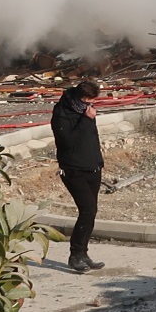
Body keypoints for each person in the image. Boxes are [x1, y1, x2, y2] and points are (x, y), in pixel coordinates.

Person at [50, 81, 106, 273]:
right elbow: (68, 142)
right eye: (88, 100)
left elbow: (91, 138)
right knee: (87, 209)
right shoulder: (61, 113)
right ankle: (75, 255)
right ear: (79, 97)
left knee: (91, 212)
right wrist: (86, 120)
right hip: (73, 170)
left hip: (92, 167)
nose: (90, 104)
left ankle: (83, 254)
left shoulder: (86, 110)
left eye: (93, 101)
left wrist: (98, 162)